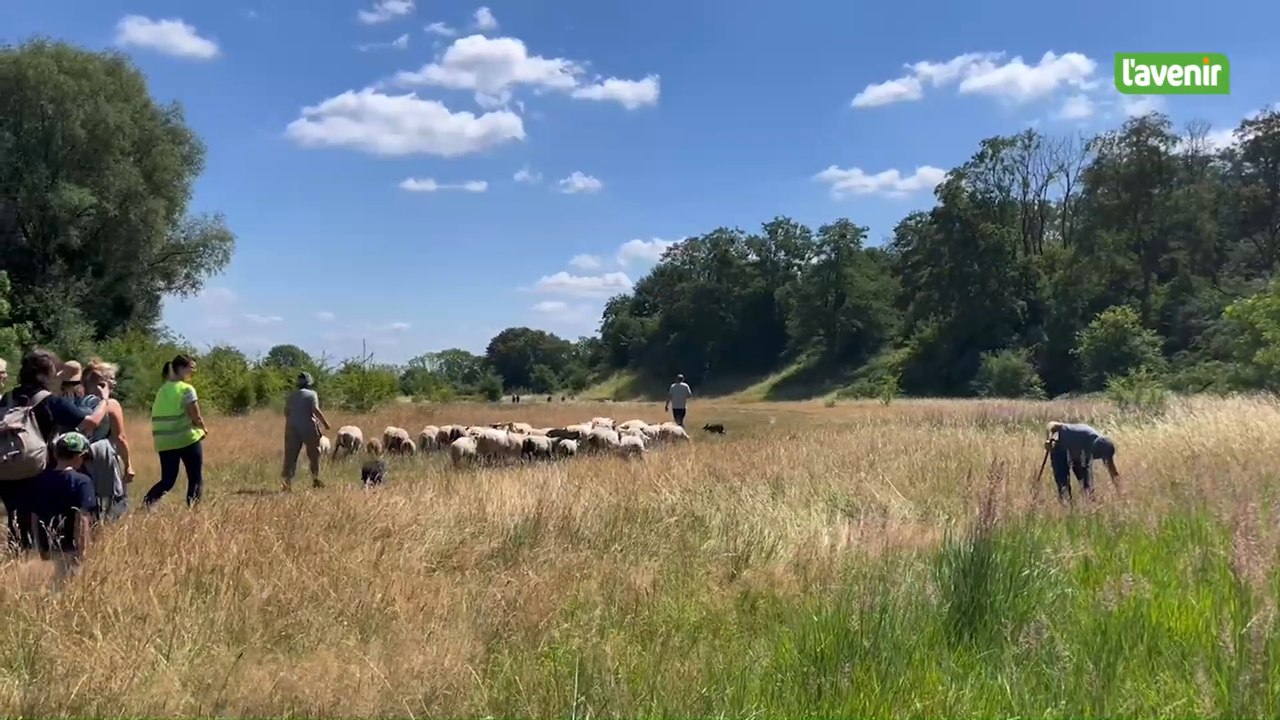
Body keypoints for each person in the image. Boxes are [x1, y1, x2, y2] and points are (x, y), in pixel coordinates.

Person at [0, 349, 109, 552]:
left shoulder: (7, 398)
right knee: (40, 521)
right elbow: (90, 423)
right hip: (36, 469)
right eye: (53, 371)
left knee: (16, 519)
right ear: (42, 375)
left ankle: (16, 562)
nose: (56, 376)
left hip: (6, 468)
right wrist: (104, 400)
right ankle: (41, 564)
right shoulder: (50, 401)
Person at [30, 432, 97, 582]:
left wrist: (39, 545)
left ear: (55, 453)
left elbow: (35, 516)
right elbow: (82, 518)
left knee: (50, 587)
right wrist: (83, 549)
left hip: (48, 546)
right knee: (69, 586)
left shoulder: (41, 480)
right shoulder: (82, 482)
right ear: (78, 456)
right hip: (70, 547)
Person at [145, 354, 207, 509]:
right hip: (186, 439)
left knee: (168, 480)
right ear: (180, 369)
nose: (194, 371)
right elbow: (196, 416)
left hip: (165, 442)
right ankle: (194, 511)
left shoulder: (162, 390)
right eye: (191, 368)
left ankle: (146, 504)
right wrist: (203, 428)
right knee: (195, 478)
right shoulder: (187, 389)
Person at [79, 360, 134, 521]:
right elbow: (120, 437)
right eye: (111, 379)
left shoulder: (78, 402)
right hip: (103, 458)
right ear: (101, 383)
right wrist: (128, 464)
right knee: (111, 501)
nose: (114, 383)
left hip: (80, 457)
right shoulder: (111, 404)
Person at [1044, 421, 1120, 502]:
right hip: (1060, 449)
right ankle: (1066, 505)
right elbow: (1051, 424)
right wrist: (1048, 440)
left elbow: (1112, 471)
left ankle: (1088, 504)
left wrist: (1120, 492)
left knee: (1087, 486)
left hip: (1077, 455)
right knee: (1063, 484)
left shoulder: (1105, 446)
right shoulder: (1077, 432)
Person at [282, 371, 331, 491]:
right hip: (308, 427)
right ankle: (315, 479)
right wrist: (325, 423)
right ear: (309, 383)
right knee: (314, 454)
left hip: (291, 427)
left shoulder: (292, 395)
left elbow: (286, 412)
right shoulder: (312, 394)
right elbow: (315, 410)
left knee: (290, 456)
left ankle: (287, 483)